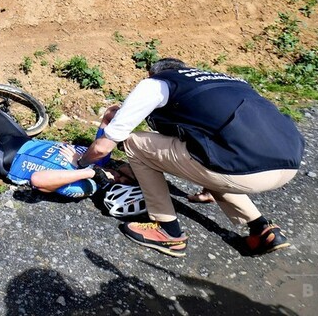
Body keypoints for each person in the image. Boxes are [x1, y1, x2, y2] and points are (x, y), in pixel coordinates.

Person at [76, 58, 305, 258]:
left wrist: (81, 163)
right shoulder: (226, 81)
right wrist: (209, 186)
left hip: (241, 169)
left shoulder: (156, 83)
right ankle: (262, 229)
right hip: (289, 162)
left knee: (134, 143)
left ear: (153, 73)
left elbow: (104, 147)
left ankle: (167, 230)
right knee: (208, 156)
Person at [0, 106, 136, 197]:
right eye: (125, 175)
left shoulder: (86, 186)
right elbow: (109, 114)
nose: (117, 176)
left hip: (5, 160)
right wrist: (126, 135)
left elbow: (38, 180)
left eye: (119, 182)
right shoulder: (100, 153)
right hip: (23, 142)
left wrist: (89, 172)